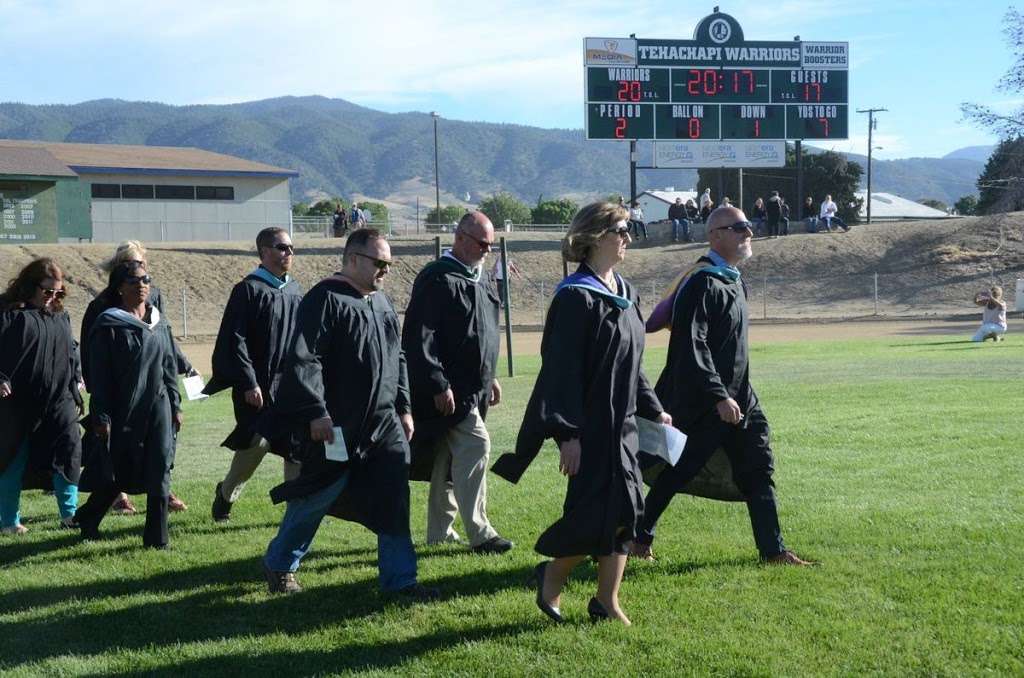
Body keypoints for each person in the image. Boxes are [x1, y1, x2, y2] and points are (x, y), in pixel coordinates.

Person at [492, 201, 671, 625]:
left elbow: (634, 364)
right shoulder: (576, 298)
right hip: (589, 429)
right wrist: (567, 435)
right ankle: (552, 573)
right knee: (594, 514)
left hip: (624, 427)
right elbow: (560, 373)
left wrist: (655, 410)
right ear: (595, 236)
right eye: (622, 229)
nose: (629, 237)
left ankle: (606, 601)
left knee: (628, 512)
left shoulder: (624, 293)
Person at [259, 229, 437, 600]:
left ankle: (400, 581)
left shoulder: (382, 303)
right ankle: (280, 562)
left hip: (384, 424)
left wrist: (404, 406)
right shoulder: (324, 299)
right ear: (353, 259)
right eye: (380, 263)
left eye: (389, 264)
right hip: (337, 427)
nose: (386, 271)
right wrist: (316, 412)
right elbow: (304, 359)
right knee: (319, 495)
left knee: (394, 497)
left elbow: (398, 357)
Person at [631, 206, 814, 567]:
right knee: (678, 471)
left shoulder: (733, 279)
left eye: (749, 226)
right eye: (739, 228)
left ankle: (774, 551)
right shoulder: (701, 281)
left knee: (759, 466)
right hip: (704, 401)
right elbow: (691, 344)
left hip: (742, 399)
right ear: (715, 235)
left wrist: (736, 395)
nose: (749, 232)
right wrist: (718, 396)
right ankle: (638, 538)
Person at [403, 212, 513, 554]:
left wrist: (490, 375)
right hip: (448, 388)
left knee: (448, 458)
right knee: (476, 445)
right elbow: (420, 336)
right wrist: (437, 382)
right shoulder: (438, 278)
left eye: (490, 245)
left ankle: (439, 532)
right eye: (482, 243)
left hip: (474, 386)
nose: (486, 250)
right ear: (460, 237)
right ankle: (481, 532)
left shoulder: (477, 278)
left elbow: (483, 334)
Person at [75, 261, 182, 548]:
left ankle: (157, 539)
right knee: (121, 470)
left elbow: (169, 364)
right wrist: (102, 415)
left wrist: (176, 403)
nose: (142, 285)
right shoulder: (109, 324)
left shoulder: (158, 321)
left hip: (158, 404)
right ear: (120, 287)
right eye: (134, 281)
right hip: (122, 408)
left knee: (160, 467)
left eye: (146, 279)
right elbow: (100, 376)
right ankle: (88, 516)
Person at [204, 228, 303, 522]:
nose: (288, 253)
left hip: (290, 384)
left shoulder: (295, 290)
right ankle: (226, 493)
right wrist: (248, 381)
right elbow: (234, 340)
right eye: (281, 247)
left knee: (295, 447)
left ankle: (294, 512)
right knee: (256, 445)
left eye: (291, 247)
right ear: (263, 252)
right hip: (257, 385)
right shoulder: (248, 289)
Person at [0, 258, 82, 535]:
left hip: (59, 399)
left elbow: (71, 350)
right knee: (12, 458)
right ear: (29, 286)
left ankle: (70, 515)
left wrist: (77, 377)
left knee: (69, 452)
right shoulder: (9, 313)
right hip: (17, 403)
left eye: (59, 293)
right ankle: (9, 521)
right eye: (47, 292)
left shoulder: (61, 316)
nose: (52, 298)